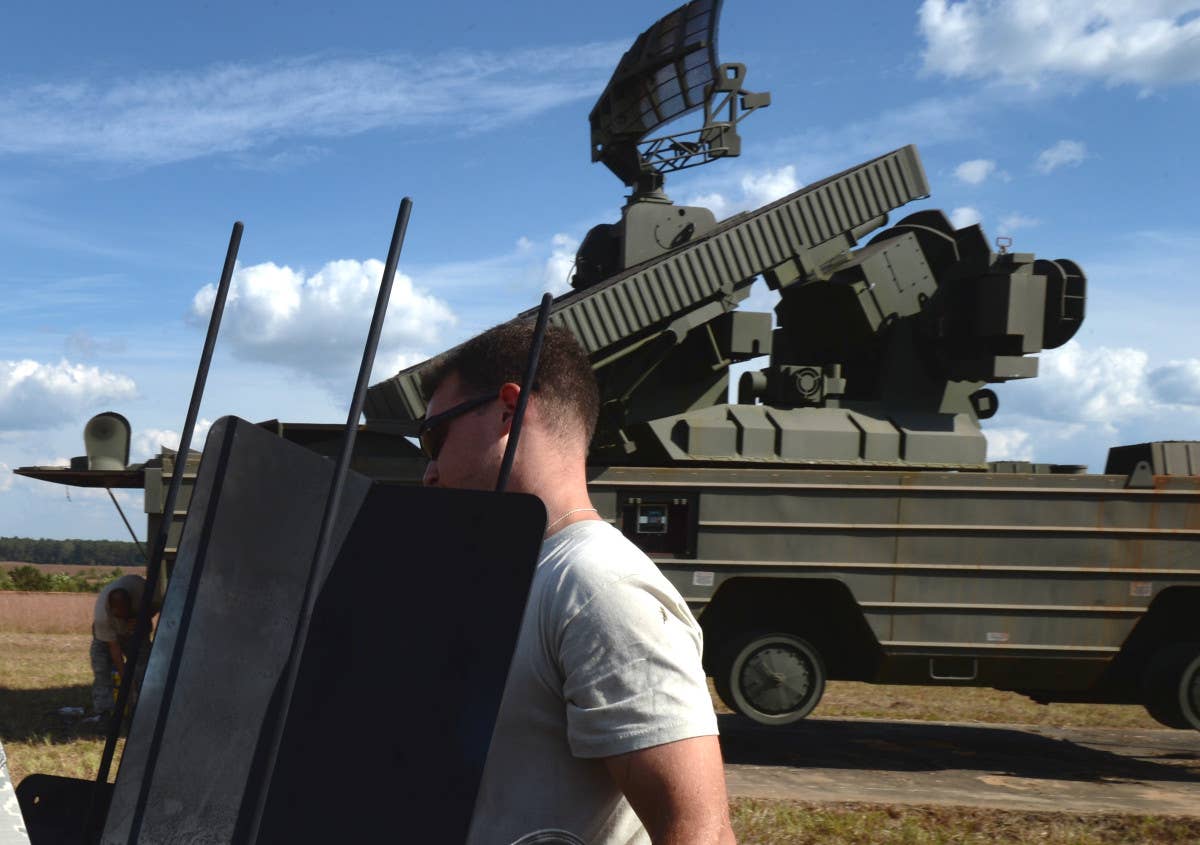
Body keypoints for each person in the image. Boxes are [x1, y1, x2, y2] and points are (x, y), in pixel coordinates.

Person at [420, 320, 735, 845]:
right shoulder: (525, 572)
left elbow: (699, 831)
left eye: (435, 436)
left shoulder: (597, 586)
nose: (428, 470)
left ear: (509, 411)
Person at [90, 573, 156, 716]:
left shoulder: (142, 589)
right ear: (112, 611)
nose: (123, 618)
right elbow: (115, 651)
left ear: (132, 603)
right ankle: (105, 711)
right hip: (106, 638)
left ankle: (147, 702)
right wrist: (127, 682)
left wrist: (142, 618)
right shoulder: (103, 617)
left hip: (137, 630)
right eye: (120, 616)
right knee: (102, 669)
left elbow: (161, 604)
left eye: (127, 614)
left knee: (146, 664)